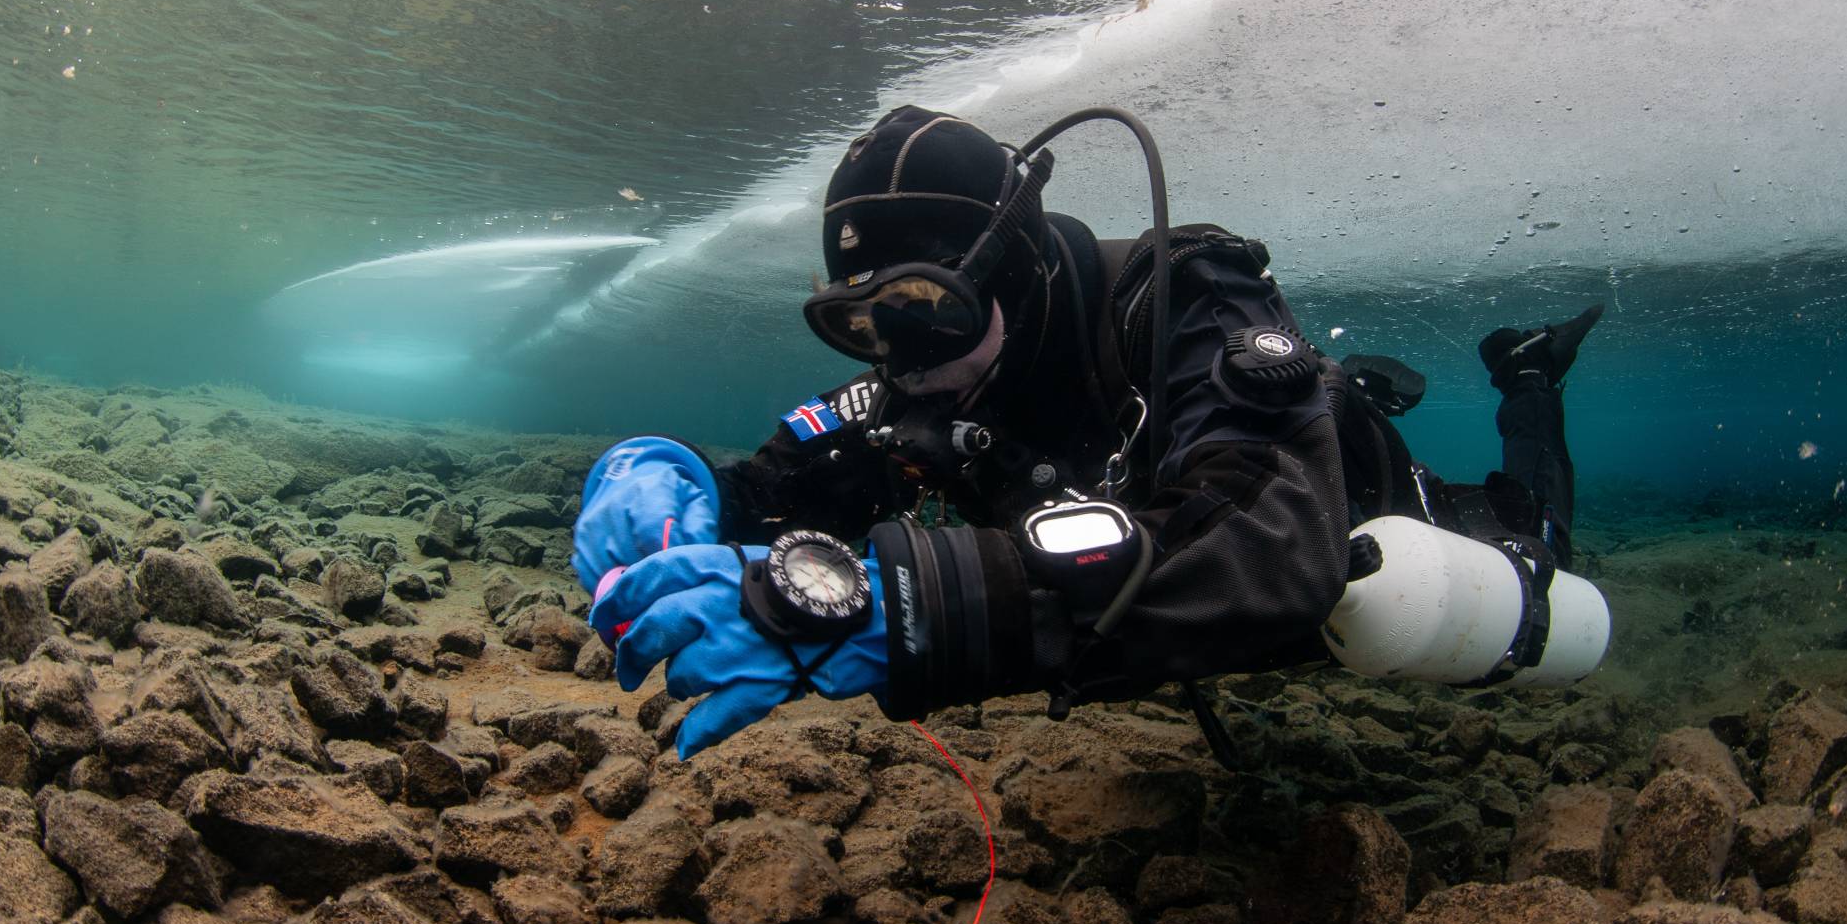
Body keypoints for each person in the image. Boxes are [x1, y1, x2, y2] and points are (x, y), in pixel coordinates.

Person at [575, 106, 1603, 758]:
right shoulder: (927, 386)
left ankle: (1526, 381)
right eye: (858, 322)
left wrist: (913, 615)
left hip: (1364, 523)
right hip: (1147, 578)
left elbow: (1265, 544)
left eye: (925, 307)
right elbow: (785, 486)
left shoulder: (1183, 294)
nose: (898, 358)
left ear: (1013, 268)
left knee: (1534, 555)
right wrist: (677, 480)